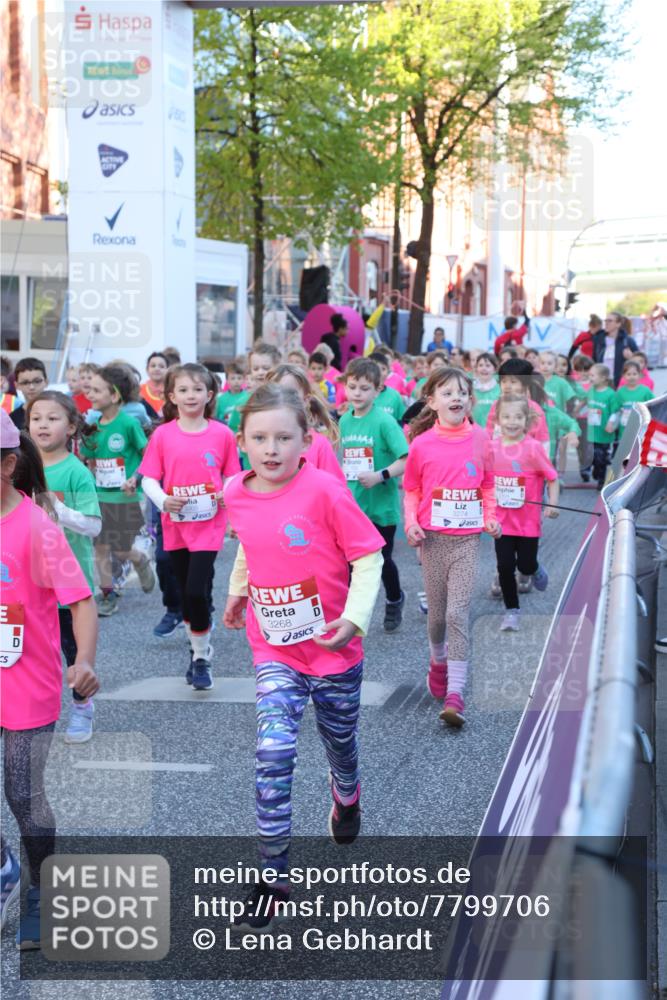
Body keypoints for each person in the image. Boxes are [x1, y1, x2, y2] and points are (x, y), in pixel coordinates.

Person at [222, 384, 383, 927]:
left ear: (306, 439)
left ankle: (347, 792)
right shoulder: (235, 491)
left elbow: (368, 557)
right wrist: (237, 591)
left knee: (340, 744)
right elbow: (252, 542)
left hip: (334, 648)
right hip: (275, 649)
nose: (271, 449)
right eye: (259, 438)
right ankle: (273, 876)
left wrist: (354, 618)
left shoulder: (326, 492)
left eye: (283, 438)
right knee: (273, 752)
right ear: (242, 441)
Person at [0, 410, 99, 948]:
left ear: (7, 465)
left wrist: (83, 661)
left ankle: (43, 890)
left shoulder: (37, 527)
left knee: (22, 791)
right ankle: (5, 870)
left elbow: (80, 601)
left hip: (27, 680)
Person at [403, 368, 501, 728]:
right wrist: (411, 523)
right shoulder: (422, 443)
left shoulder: (481, 438)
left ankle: (455, 694)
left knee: (458, 613)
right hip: (433, 539)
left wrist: (491, 518)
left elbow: (487, 484)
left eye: (462, 392)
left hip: (467, 540)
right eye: (447, 393)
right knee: (438, 617)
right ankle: (437, 658)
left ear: (470, 400)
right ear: (432, 402)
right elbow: (411, 489)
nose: (456, 398)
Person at [139, 363, 239, 691]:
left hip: (209, 525)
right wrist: (163, 500)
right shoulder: (163, 435)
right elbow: (149, 478)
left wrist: (226, 493)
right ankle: (197, 648)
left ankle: (201, 658)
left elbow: (232, 474)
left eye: (197, 389)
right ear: (172, 396)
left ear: (209, 395)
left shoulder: (222, 434)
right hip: (176, 524)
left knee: (196, 590)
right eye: (183, 390)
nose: (190, 395)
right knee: (186, 593)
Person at [27, 391, 101, 744]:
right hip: (29, 578)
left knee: (73, 651)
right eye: (36, 418)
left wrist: (58, 511)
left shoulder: (76, 472)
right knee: (31, 650)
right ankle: (27, 710)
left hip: (70, 581)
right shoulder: (19, 467)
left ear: (71, 427)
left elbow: (93, 526)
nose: (42, 424)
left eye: (52, 418)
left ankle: (82, 707)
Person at [79, 364, 155, 616]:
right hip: (100, 498)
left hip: (126, 498)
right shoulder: (93, 425)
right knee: (100, 547)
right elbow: (89, 460)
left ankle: (139, 559)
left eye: (96, 390)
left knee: (120, 549)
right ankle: (107, 594)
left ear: (114, 396)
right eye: (89, 389)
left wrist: (135, 478)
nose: (89, 394)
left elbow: (148, 456)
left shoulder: (128, 424)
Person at [339, 358, 409, 631]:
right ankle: (350, 615)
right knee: (349, 563)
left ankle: (394, 599)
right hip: (353, 507)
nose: (357, 393)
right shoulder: (344, 421)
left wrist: (380, 475)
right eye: (352, 386)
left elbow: (406, 459)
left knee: (380, 561)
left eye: (365, 388)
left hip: (382, 508)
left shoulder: (384, 422)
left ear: (378, 390)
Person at [490, 396, 559, 632]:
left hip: (528, 521)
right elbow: (483, 479)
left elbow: (552, 478)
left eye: (518, 417)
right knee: (505, 566)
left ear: (527, 420)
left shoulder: (533, 448)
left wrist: (553, 504)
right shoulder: (491, 448)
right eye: (507, 417)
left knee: (526, 565)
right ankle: (512, 611)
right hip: (501, 522)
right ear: (498, 420)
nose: (512, 422)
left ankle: (535, 569)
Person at [266, 364, 345, 483]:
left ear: (306, 400)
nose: (281, 400)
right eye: (274, 394)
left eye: (290, 394)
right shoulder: (263, 442)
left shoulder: (319, 444)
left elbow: (337, 488)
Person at [486, 359, 550, 453]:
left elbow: (542, 439)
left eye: (513, 382)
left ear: (525, 384)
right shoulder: (496, 405)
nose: (507, 386)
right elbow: (489, 432)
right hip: (500, 456)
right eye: (504, 381)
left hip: (527, 457)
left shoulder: (534, 408)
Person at [585, 363, 617, 489]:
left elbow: (615, 411)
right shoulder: (591, 391)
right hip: (592, 431)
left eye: (593, 375)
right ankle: (597, 468)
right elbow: (586, 404)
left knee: (600, 456)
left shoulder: (611, 394)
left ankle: (601, 479)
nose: (590, 378)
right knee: (592, 454)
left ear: (603, 378)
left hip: (604, 433)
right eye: (589, 375)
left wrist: (610, 423)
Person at [592, 313, 638, 387]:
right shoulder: (598, 339)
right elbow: (594, 359)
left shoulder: (627, 341)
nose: (606, 323)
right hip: (602, 381)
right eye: (606, 321)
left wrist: (631, 358)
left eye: (610, 321)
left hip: (621, 382)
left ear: (618, 324)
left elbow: (639, 362)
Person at [614, 360, 654, 435]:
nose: (631, 377)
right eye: (628, 374)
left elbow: (654, 405)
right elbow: (616, 409)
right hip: (624, 430)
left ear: (640, 375)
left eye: (634, 374)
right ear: (623, 376)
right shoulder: (620, 392)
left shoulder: (645, 391)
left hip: (641, 429)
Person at [367, 352, 405, 421]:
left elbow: (401, 421)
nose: (380, 373)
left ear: (388, 372)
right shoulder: (359, 394)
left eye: (383, 369)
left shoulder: (395, 396)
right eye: (375, 368)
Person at [215, 359, 247, 425]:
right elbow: (216, 419)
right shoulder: (220, 399)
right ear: (227, 380)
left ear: (243, 380)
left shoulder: (248, 397)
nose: (236, 381)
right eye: (233, 378)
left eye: (239, 378)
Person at [471, 352, 500, 427]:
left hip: (493, 430)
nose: (484, 368)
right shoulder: (470, 388)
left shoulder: (500, 389)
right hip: (473, 429)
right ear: (476, 368)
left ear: (494, 369)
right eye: (480, 365)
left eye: (488, 365)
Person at [140, 351, 169, 416]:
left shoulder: (172, 390)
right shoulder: (139, 390)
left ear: (167, 370)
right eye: (153, 366)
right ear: (147, 369)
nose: (157, 369)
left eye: (161, 366)